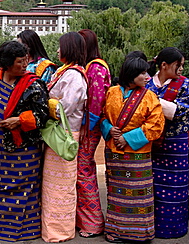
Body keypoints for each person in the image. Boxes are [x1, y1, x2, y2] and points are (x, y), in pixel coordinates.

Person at [0, 41, 49, 241]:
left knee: (23, 186)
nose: (25, 65)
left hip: (24, 147)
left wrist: (19, 120)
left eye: (26, 60)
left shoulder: (34, 85)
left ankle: (23, 231)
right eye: (20, 62)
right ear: (7, 64)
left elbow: (42, 115)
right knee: (4, 184)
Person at [101, 57, 165, 243]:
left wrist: (127, 138)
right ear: (131, 74)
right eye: (143, 73)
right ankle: (115, 231)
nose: (147, 77)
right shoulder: (112, 92)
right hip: (114, 152)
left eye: (147, 73)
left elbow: (155, 124)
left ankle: (140, 233)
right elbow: (103, 115)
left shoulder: (149, 96)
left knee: (139, 195)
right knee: (116, 193)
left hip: (138, 154)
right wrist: (109, 129)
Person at [41, 32, 87, 243]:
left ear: (69, 49)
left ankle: (60, 231)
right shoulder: (65, 72)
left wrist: (46, 103)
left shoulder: (74, 76)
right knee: (53, 185)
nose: (58, 51)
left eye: (61, 47)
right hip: (58, 133)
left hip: (64, 134)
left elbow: (64, 109)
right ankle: (52, 228)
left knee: (62, 187)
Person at [146, 47, 189, 238]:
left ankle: (175, 229)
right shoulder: (148, 84)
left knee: (178, 188)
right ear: (164, 65)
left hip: (176, 144)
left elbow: (183, 109)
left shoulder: (185, 85)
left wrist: (154, 103)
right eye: (177, 65)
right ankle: (152, 228)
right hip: (153, 144)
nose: (181, 69)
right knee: (152, 187)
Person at [75, 29, 111, 238]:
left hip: (90, 127)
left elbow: (96, 102)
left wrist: (86, 127)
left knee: (84, 171)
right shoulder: (91, 66)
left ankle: (93, 222)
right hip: (89, 126)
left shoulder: (96, 67)